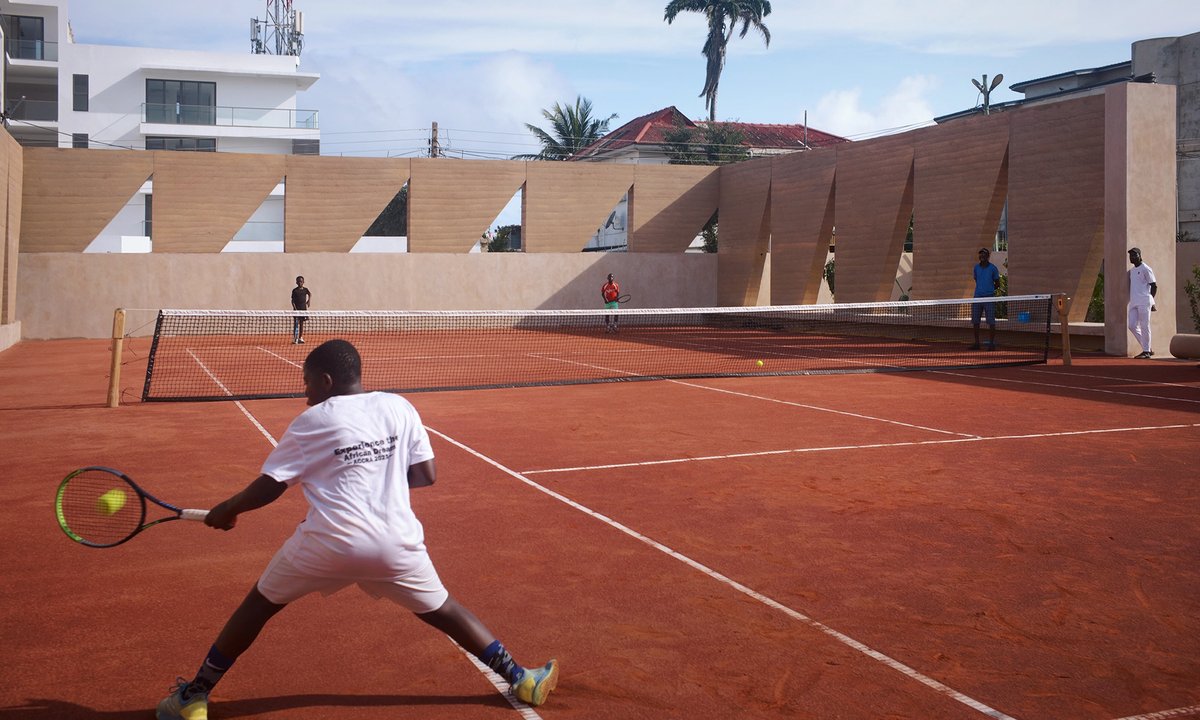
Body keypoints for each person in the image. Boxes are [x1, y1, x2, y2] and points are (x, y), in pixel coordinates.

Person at [155, 339, 558, 720]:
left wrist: (227, 509)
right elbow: (426, 474)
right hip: (396, 544)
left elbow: (271, 485)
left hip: (327, 543)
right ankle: (521, 678)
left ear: (326, 380)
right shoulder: (399, 407)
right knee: (445, 610)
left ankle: (195, 696)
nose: (305, 394)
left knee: (258, 606)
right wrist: (378, 479)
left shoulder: (312, 419)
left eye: (308, 383)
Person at [1127, 247, 1158, 359]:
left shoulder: (1146, 268)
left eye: (1134, 255)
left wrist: (1151, 301)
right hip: (1133, 302)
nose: (1132, 257)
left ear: (1140, 256)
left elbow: (1154, 285)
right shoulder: (1132, 271)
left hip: (1144, 301)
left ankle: (1146, 352)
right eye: (1131, 256)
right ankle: (1147, 348)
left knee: (1145, 326)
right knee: (1132, 326)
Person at [970, 248, 1001, 350]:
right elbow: (976, 279)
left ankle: (991, 344)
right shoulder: (976, 268)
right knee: (975, 321)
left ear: (988, 256)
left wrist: (989, 290)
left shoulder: (993, 268)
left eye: (984, 254)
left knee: (991, 321)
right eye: (980, 254)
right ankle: (976, 343)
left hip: (989, 298)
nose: (982, 256)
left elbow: (997, 283)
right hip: (977, 298)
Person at [291, 276, 311, 345]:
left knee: (301, 324)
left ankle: (300, 337)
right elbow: (292, 301)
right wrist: (295, 308)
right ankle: (295, 338)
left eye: (301, 281)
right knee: (296, 324)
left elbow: (309, 294)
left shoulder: (305, 290)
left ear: (303, 282)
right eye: (298, 281)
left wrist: (309, 301)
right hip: (297, 310)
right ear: (296, 282)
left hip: (303, 310)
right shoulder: (295, 291)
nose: (300, 283)